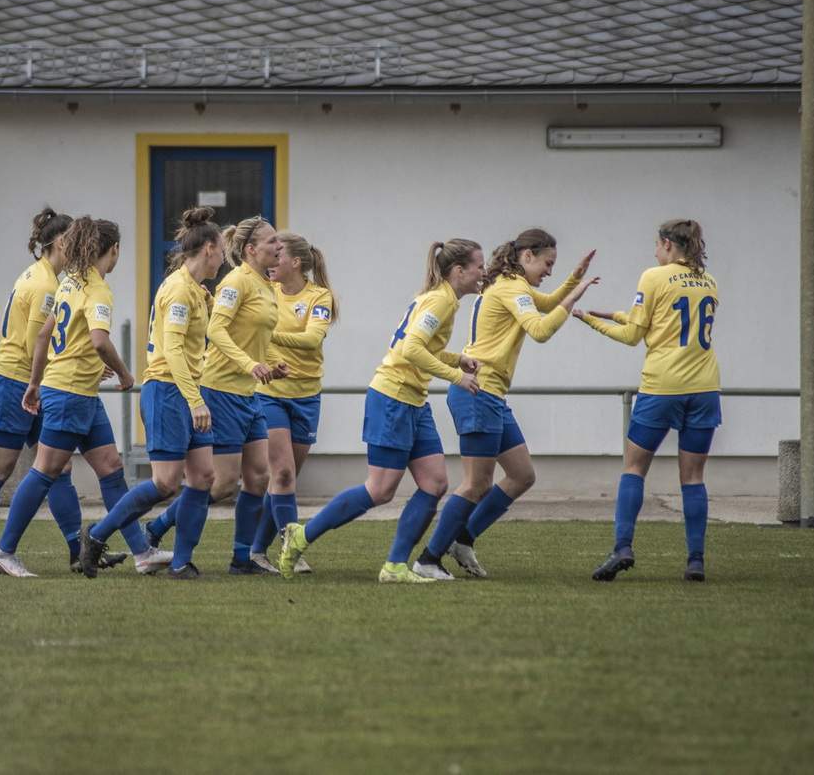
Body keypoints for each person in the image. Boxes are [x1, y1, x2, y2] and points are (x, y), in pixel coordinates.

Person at [278, 240, 484, 584]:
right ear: (459, 270)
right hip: (393, 398)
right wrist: (456, 376)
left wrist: (456, 358)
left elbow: (418, 346)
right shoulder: (440, 300)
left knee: (434, 483)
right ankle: (301, 535)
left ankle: (395, 566)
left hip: (413, 400)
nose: (483, 272)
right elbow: (410, 348)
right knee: (379, 490)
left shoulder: (442, 298)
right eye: (479, 266)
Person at [413, 229, 597, 580]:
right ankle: (428, 559)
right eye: (547, 263)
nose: (549, 271)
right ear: (527, 256)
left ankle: (463, 540)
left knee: (521, 475)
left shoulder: (513, 284)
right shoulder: (512, 287)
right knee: (475, 484)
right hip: (478, 393)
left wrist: (574, 279)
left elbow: (546, 304)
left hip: (491, 395)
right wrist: (574, 296)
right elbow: (540, 330)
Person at [0, 209, 127, 575]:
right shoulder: (45, 285)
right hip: (13, 381)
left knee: (58, 467)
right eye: (76, 239)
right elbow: (39, 342)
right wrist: (70, 368)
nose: (83, 245)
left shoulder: (49, 278)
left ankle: (77, 552)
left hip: (40, 383)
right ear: (62, 242)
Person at [0, 218, 172, 577]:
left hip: (80, 392)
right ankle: (4, 552)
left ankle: (142, 553)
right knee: (45, 470)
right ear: (114, 250)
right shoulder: (97, 289)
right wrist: (125, 373)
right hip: (69, 392)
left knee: (111, 468)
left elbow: (46, 335)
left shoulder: (70, 281)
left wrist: (34, 383)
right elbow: (98, 340)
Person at [78, 207, 225, 579]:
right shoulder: (178, 290)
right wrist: (195, 400)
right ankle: (96, 536)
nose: (224, 259)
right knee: (165, 482)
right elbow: (172, 351)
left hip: (188, 390)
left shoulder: (195, 290)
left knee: (204, 477)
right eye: (222, 251)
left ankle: (181, 561)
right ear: (209, 249)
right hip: (168, 391)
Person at [141, 216, 287, 574]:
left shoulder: (266, 285)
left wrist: (270, 362)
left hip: (248, 394)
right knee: (220, 485)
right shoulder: (235, 282)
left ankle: (242, 558)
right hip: (221, 390)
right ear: (250, 249)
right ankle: (157, 527)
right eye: (272, 241)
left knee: (259, 477)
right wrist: (250, 364)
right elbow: (217, 331)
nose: (279, 246)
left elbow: (255, 336)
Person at [575, 219, 719, 582]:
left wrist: (588, 319)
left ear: (668, 244)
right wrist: (616, 314)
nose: (654, 252)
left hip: (662, 386)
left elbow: (632, 336)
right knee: (693, 477)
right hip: (705, 387)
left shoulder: (653, 277)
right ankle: (695, 561)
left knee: (634, 467)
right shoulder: (708, 280)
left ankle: (622, 547)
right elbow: (667, 323)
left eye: (656, 245)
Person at [248, 232, 337, 574]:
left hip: (307, 396)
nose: (272, 260)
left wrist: (268, 334)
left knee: (285, 480)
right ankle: (292, 550)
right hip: (269, 392)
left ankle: (257, 551)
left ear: (296, 262)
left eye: (278, 255)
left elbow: (312, 339)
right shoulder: (264, 291)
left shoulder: (320, 296)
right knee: (282, 472)